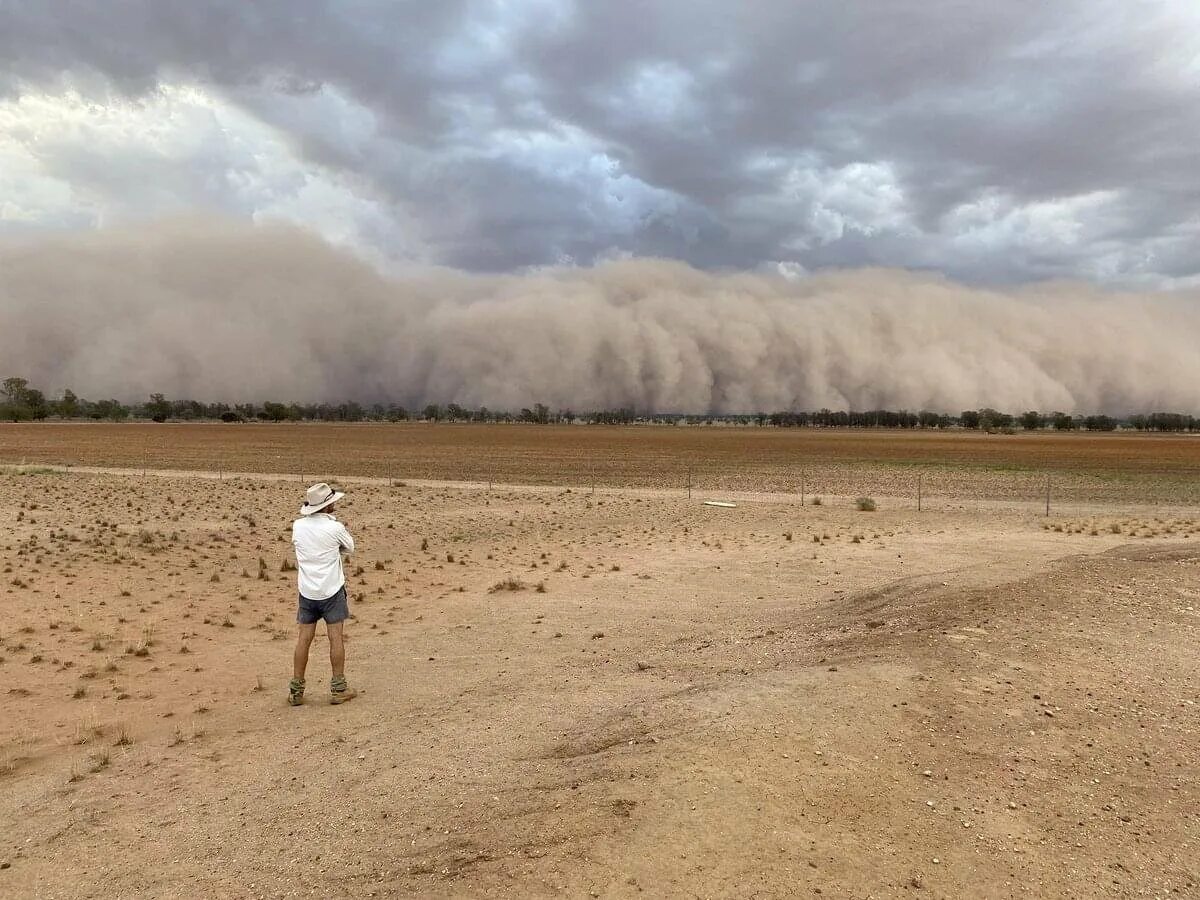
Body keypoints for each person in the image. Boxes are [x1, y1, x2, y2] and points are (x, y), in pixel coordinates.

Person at [288, 482, 357, 706]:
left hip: (307, 591)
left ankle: (296, 691)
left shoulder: (298, 526)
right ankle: (339, 688)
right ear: (327, 506)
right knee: (335, 637)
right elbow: (350, 547)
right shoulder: (334, 528)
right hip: (331, 590)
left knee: (303, 639)